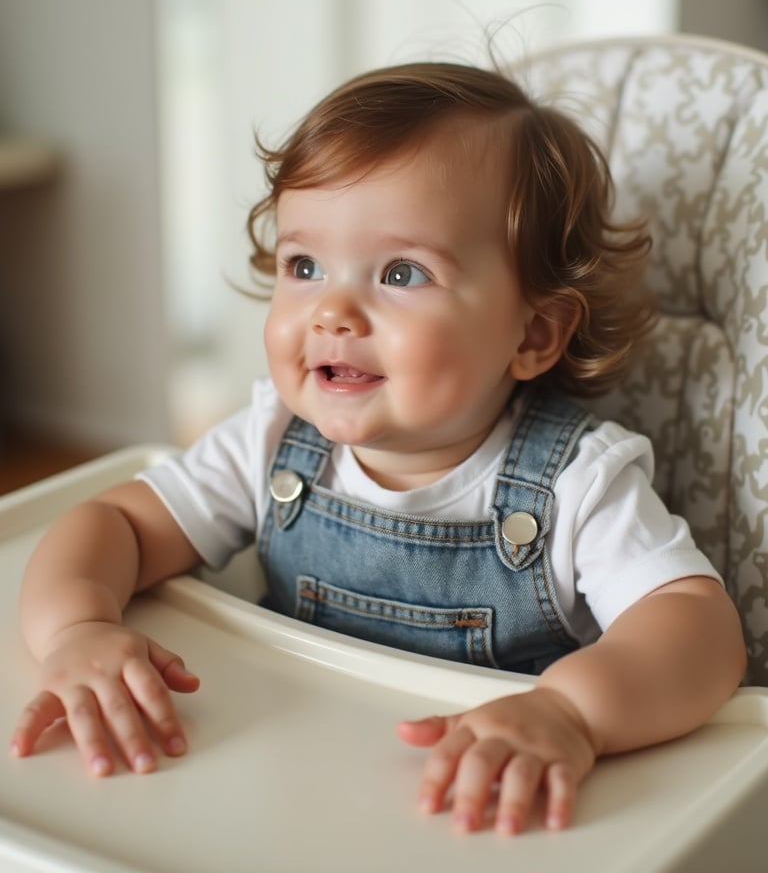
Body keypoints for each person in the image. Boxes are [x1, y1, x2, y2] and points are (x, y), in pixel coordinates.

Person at [10, 62, 746, 836]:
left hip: (480, 816)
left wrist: (570, 711)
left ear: (531, 334)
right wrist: (77, 629)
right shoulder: (270, 442)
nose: (332, 310)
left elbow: (695, 630)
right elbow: (113, 525)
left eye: (401, 272)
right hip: (286, 795)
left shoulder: (577, 483)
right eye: (305, 266)